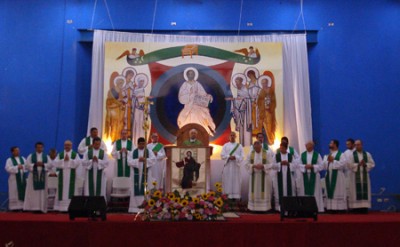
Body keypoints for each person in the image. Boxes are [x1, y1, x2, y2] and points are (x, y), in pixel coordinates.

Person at [177, 67, 216, 135]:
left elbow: (202, 93)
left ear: (194, 75)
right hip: (188, 106)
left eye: (192, 74)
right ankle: (187, 134)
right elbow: (181, 96)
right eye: (189, 74)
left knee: (201, 117)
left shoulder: (197, 83)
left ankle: (201, 133)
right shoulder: (185, 85)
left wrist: (208, 96)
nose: (191, 75)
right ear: (187, 75)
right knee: (185, 119)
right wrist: (189, 95)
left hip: (197, 106)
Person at [127, 137, 156, 213]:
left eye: (143, 144)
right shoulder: (133, 152)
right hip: (135, 174)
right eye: (140, 144)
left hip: (146, 174)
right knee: (135, 189)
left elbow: (153, 160)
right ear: (138, 144)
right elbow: (129, 161)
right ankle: (134, 208)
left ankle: (146, 207)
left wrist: (145, 160)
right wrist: (137, 160)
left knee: (146, 189)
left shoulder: (149, 152)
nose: (142, 145)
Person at [347, 140, 375, 213]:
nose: (357, 146)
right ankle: (355, 208)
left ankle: (364, 208)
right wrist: (358, 165)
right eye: (356, 145)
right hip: (354, 177)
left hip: (365, 176)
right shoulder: (352, 155)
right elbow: (349, 165)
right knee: (355, 191)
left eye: (358, 144)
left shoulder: (367, 154)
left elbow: (372, 164)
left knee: (365, 191)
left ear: (362, 145)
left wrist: (365, 164)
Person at [24, 142, 52, 213]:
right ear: (35, 148)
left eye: (41, 147)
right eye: (38, 147)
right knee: (33, 192)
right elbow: (27, 165)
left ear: (43, 148)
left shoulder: (46, 157)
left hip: (43, 175)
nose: (40, 148)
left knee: (42, 192)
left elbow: (50, 165)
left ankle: (42, 208)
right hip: (33, 175)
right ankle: (33, 208)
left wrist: (43, 164)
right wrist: (35, 164)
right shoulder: (31, 156)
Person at [245, 141, 273, 212]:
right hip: (254, 176)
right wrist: (253, 166)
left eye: (258, 148)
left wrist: (263, 166)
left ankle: (264, 208)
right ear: (254, 147)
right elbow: (246, 164)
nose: (257, 149)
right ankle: (253, 208)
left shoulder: (267, 153)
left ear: (261, 146)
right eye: (255, 148)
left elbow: (271, 163)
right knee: (254, 191)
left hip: (263, 176)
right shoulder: (251, 153)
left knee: (264, 191)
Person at [53, 140, 81, 212]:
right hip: (62, 175)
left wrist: (70, 160)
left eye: (68, 145)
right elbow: (55, 163)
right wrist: (63, 160)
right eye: (66, 145)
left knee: (72, 190)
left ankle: (72, 207)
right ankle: (61, 208)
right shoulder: (60, 154)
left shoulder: (75, 154)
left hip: (71, 175)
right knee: (61, 190)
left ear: (71, 146)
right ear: (64, 146)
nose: (67, 146)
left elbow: (78, 162)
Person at [298, 141, 325, 212]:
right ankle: (305, 208)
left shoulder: (317, 155)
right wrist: (305, 166)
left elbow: (322, 166)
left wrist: (313, 166)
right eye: (306, 145)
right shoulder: (302, 155)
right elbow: (298, 165)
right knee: (304, 192)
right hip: (305, 175)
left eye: (308, 145)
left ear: (312, 146)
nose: (306, 146)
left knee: (315, 192)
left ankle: (316, 208)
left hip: (314, 176)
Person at [322, 139, 347, 212]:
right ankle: (330, 207)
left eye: (331, 143)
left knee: (337, 191)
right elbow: (323, 166)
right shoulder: (327, 155)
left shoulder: (341, 154)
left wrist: (333, 161)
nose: (329, 144)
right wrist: (327, 161)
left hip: (338, 176)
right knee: (329, 191)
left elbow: (343, 165)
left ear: (335, 145)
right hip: (329, 175)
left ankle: (339, 208)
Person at [272, 142, 299, 211]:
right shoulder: (276, 156)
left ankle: (289, 207)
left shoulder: (290, 156)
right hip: (279, 177)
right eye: (280, 148)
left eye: (283, 148)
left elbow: (295, 165)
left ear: (286, 148)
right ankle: (279, 208)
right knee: (279, 191)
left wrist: (288, 164)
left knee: (289, 190)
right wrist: (280, 163)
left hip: (288, 176)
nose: (281, 149)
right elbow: (272, 165)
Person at [220, 132, 244, 200]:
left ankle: (236, 197)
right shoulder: (225, 145)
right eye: (231, 135)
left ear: (236, 136)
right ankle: (227, 197)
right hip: (228, 166)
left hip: (236, 166)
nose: (232, 136)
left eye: (234, 135)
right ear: (229, 137)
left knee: (236, 181)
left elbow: (242, 156)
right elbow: (222, 155)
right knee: (227, 180)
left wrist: (235, 157)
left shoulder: (239, 146)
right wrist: (229, 157)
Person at [230, 74, 252, 146]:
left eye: (237, 82)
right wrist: (234, 100)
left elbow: (247, 99)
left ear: (241, 82)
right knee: (241, 129)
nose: (236, 84)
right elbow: (238, 98)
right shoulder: (238, 89)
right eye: (236, 83)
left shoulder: (245, 89)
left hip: (245, 112)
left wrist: (236, 100)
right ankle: (242, 143)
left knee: (245, 128)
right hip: (239, 110)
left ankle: (247, 143)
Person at [256, 71, 277, 145]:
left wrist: (269, 107)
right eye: (262, 83)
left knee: (269, 126)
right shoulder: (261, 91)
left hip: (268, 113)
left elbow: (274, 102)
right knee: (261, 127)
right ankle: (261, 141)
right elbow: (259, 102)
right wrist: (262, 105)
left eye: (265, 83)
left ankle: (269, 141)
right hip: (262, 113)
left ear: (267, 83)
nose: (263, 84)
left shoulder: (271, 91)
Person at [5, 146, 27, 210]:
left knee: (22, 191)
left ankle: (22, 206)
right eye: (16, 150)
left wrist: (23, 167)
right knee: (14, 192)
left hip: (22, 178)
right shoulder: (9, 160)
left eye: (18, 150)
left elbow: (26, 166)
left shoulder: (23, 158)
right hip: (14, 179)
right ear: (12, 152)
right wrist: (17, 167)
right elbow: (7, 168)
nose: (18, 152)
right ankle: (14, 207)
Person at [131, 74, 147, 144]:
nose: (142, 83)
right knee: (137, 124)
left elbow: (144, 99)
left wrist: (145, 105)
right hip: (137, 109)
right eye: (141, 81)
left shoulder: (143, 90)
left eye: (143, 81)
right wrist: (136, 98)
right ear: (138, 82)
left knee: (142, 124)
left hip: (142, 110)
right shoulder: (135, 90)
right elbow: (133, 100)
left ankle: (142, 139)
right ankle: (135, 141)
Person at [246, 69, 261, 135]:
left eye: (249, 75)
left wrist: (256, 100)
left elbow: (260, 91)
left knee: (257, 115)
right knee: (252, 115)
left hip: (257, 101)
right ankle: (253, 129)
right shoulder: (250, 83)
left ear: (252, 74)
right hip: (251, 101)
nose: (249, 77)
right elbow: (249, 93)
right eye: (248, 76)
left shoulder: (258, 82)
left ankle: (258, 129)